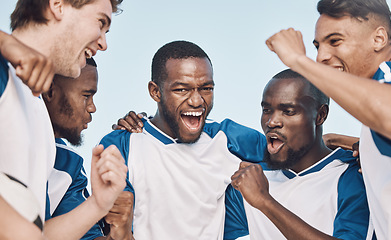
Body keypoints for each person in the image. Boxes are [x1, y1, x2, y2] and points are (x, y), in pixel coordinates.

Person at [265, 0, 391, 238]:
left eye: (335, 41)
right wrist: (349, 142)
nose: (322, 56)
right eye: (317, 46)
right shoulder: (369, 121)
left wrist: (299, 61)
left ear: (379, 39)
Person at [100, 40, 266, 240]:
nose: (197, 101)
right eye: (181, 90)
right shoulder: (122, 144)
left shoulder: (227, 137)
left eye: (206, 88)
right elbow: (116, 228)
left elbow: (290, 153)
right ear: (155, 91)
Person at [0, 0, 127, 239]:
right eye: (100, 22)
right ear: (58, 5)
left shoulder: (38, 112)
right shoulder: (3, 71)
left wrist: (98, 205)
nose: (103, 42)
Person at [228, 69, 373, 239]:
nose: (272, 121)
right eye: (267, 110)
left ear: (320, 115)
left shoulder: (353, 174)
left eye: (288, 111)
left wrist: (265, 202)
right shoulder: (250, 180)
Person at [43, 58, 133, 240]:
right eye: (86, 95)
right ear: (50, 91)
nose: (93, 108)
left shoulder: (70, 163)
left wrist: (121, 232)